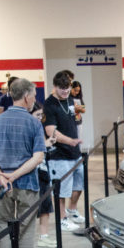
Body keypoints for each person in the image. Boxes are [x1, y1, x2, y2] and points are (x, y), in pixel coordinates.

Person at [0, 77, 47, 248]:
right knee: (26, 226)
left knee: (3, 223)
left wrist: (0, 175)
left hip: (1, 186)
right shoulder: (34, 123)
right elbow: (38, 157)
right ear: (27, 97)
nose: (35, 99)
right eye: (34, 96)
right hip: (27, 184)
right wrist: (15, 175)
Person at [43, 70, 85, 231]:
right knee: (61, 189)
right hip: (58, 154)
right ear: (55, 86)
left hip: (75, 152)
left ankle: (72, 210)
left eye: (67, 88)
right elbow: (50, 131)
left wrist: (76, 143)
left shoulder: (72, 99)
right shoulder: (49, 104)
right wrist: (70, 141)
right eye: (62, 89)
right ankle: (62, 219)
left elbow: (77, 119)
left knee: (79, 183)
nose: (66, 91)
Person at [32, 102, 58, 248]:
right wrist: (45, 145)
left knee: (46, 204)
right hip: (33, 172)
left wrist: (47, 143)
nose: (40, 118)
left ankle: (44, 235)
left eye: (41, 115)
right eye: (37, 115)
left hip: (43, 170)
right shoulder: (30, 128)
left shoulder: (39, 127)